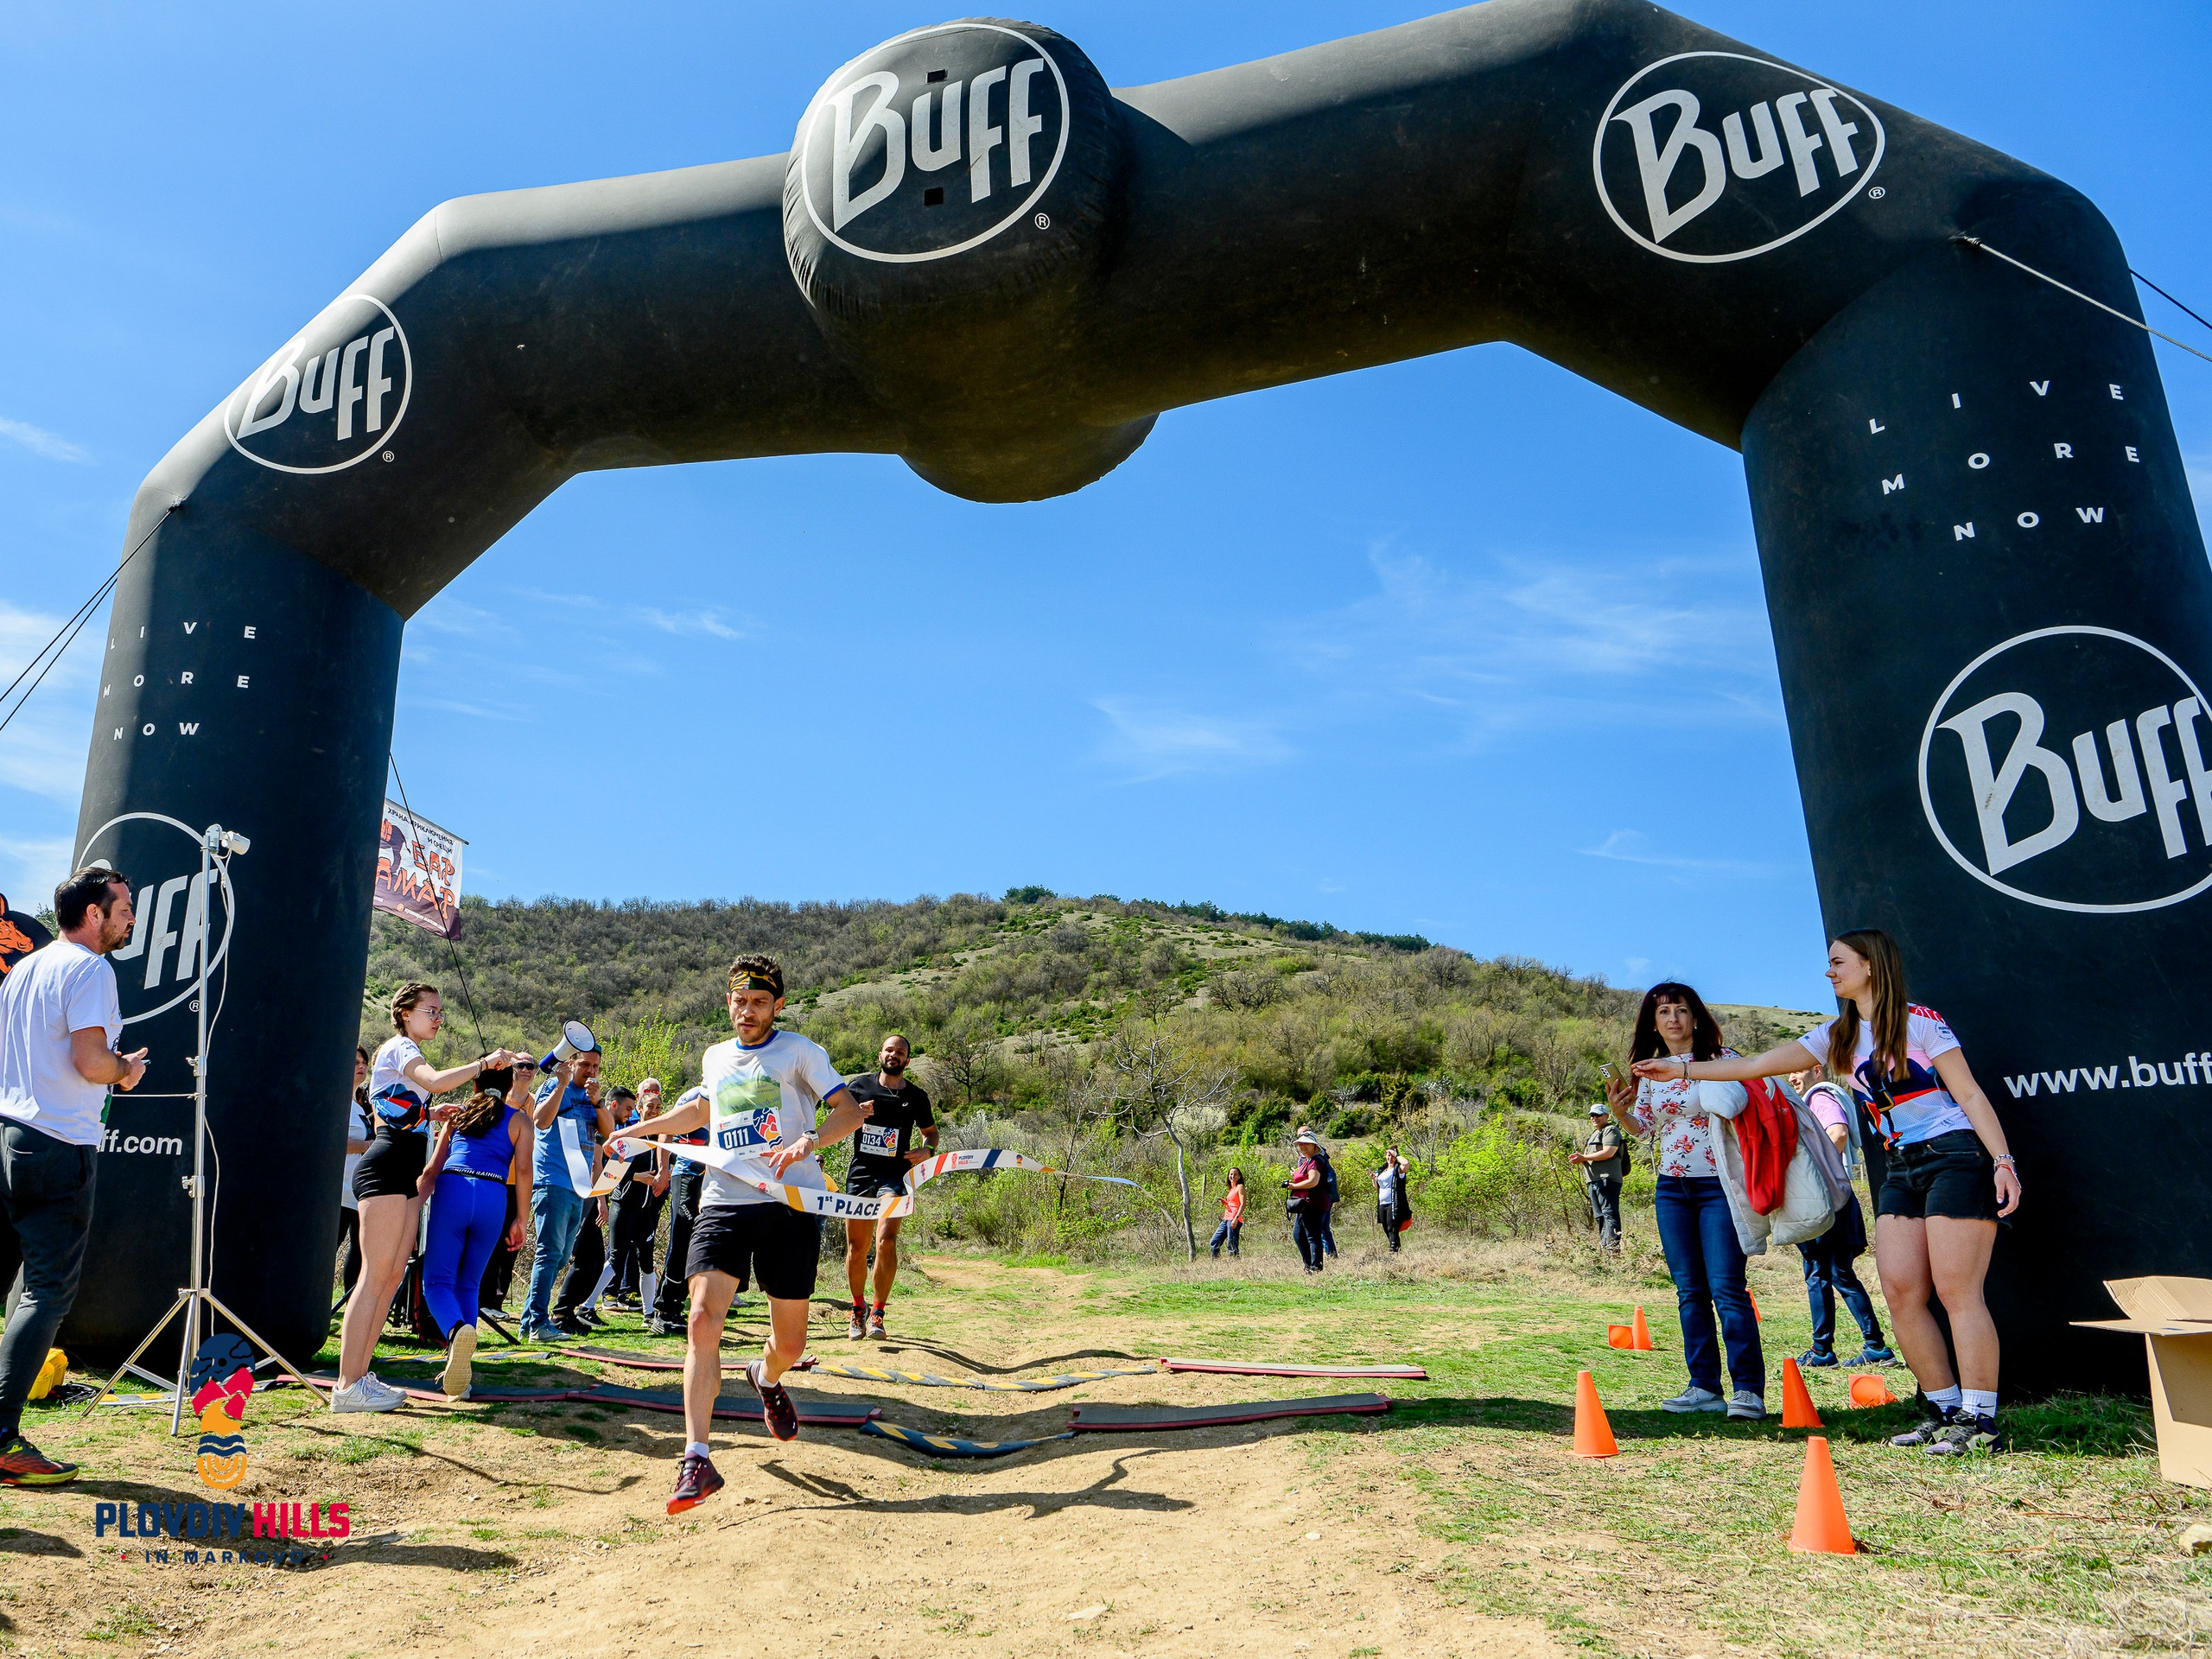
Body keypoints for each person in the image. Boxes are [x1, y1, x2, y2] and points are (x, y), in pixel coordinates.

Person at [1643, 931, 2019, 1454]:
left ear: (1871, 966)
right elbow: (1754, 1067)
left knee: (1958, 1292)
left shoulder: (1920, 1022)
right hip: (1900, 1166)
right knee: (1900, 1293)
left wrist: (2002, 1161)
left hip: (1954, 1154)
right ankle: (1943, 1409)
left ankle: (1980, 1422)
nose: (1829, 972)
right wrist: (1680, 1069)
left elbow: (1970, 1093)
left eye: (1838, 962)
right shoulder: (1837, 1034)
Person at [613, 953, 869, 1513]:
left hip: (789, 1205)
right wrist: (639, 1131)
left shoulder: (800, 1052)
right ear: (727, 1002)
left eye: (759, 1002)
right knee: (702, 1320)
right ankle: (696, 1458)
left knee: (791, 1345)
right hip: (724, 1201)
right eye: (739, 1001)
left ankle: (765, 1376)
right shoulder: (715, 1056)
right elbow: (701, 1113)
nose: (747, 1011)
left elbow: (850, 1112)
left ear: (778, 1005)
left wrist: (808, 1142)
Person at [0, 867, 147, 1485]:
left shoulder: (26, 967)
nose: (131, 918)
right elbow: (90, 1062)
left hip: (8, 1133)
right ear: (94, 914)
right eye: (125, 908)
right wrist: (125, 1070)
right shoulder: (91, 969)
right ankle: (2, 1439)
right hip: (57, 1142)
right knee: (46, 1292)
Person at [338, 982, 527, 1412]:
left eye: (442, 1012)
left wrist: (430, 1112)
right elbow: (436, 1082)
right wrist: (484, 1063)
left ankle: (360, 1378)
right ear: (405, 1013)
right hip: (385, 1167)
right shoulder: (400, 1047)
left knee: (390, 1279)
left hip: (404, 1172)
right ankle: (347, 1385)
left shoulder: (406, 1054)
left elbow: (398, 1105)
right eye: (431, 1010)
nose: (439, 1018)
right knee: (373, 1278)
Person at [1606, 982, 1765, 1420]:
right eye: (1663, 1012)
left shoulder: (1722, 1059)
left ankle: (1748, 1390)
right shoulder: (1649, 1071)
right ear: (1653, 1024)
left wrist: (1688, 1072)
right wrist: (1621, 1113)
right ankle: (1704, 1387)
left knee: (1727, 1288)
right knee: (1689, 1291)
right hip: (1672, 1188)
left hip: (1720, 1185)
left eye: (1680, 1010)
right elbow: (1644, 1128)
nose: (1673, 1018)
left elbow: (1741, 1103)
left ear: (1696, 1018)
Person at [417, 1072, 530, 1398]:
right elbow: (524, 1171)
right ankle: (462, 1380)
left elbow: (431, 1170)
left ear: (474, 1084)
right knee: (469, 1284)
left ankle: (456, 1332)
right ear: (509, 1087)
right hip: (493, 1195)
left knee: (436, 1283)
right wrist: (521, 1219)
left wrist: (411, 1211)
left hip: (453, 1188)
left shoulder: (458, 1114)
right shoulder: (520, 1120)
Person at [1788, 1068, 1894, 1370]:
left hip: (1827, 1199)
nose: (1792, 1078)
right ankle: (1875, 1346)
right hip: (1841, 1198)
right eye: (1789, 1073)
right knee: (1839, 1272)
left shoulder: (1820, 1096)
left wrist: (1812, 1178)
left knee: (1818, 1272)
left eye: (1798, 1071)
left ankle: (1822, 1351)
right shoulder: (1822, 1096)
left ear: (1816, 1070)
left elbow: (1838, 1132)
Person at [840, 1033, 938, 1340]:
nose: (894, 1054)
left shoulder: (917, 1096)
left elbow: (931, 1132)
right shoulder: (859, 1086)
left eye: (900, 1051)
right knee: (857, 1248)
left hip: (894, 1177)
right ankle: (858, 1308)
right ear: (880, 1054)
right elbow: (837, 1119)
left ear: (907, 1060)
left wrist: (927, 1150)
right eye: (889, 1050)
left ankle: (878, 1313)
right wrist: (856, 1114)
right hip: (861, 1175)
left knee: (886, 1242)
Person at [522, 1039, 615, 1344]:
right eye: (585, 1064)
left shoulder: (592, 1096)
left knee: (562, 1257)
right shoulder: (555, 1086)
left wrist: (599, 1102)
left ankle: (530, 1320)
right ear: (571, 1063)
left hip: (579, 1185)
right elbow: (540, 1120)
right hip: (553, 1180)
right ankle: (538, 1323)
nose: (591, 1071)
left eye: (596, 1066)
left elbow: (610, 1134)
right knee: (549, 1253)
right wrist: (561, 1085)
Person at [475, 1058, 541, 1320]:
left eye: (530, 1066)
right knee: (491, 1240)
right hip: (497, 1178)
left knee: (511, 1244)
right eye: (520, 1065)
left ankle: (497, 1301)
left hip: (520, 1183)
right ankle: (482, 1299)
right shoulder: (499, 1097)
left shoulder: (536, 1102)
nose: (525, 1070)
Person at [608, 1078, 671, 1307]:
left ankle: (647, 1310)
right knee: (616, 1256)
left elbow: (671, 1161)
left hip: (648, 1206)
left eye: (658, 1106)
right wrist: (638, 1177)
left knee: (645, 1258)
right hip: (624, 1204)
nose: (654, 1111)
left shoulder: (662, 1135)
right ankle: (596, 1301)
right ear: (639, 1107)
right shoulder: (628, 1132)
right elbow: (610, 1171)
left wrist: (667, 1175)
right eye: (649, 1105)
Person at [336, 1046, 372, 1300]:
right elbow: (333, 1143)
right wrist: (368, 1146)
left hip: (359, 1193)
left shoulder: (360, 1106)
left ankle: (351, 1306)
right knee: (327, 1252)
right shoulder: (336, 1103)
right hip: (338, 1193)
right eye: (355, 1062)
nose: (361, 1066)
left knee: (360, 1252)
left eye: (364, 1062)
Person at [1569, 1103, 1627, 1252]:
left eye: (1598, 1115)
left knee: (1609, 1213)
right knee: (1599, 1216)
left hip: (1607, 1179)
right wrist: (1580, 1158)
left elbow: (1608, 1152)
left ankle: (1613, 1250)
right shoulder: (1594, 1133)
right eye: (1592, 1115)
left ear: (1606, 1116)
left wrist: (1584, 1157)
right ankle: (1605, 1248)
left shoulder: (1611, 1130)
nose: (1594, 1118)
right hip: (1593, 1180)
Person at [1287, 1128, 1327, 1273]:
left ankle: (1316, 1268)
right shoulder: (1307, 1160)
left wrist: (1293, 1186)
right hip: (1304, 1204)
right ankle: (1309, 1266)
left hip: (1314, 1203)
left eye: (1306, 1144)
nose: (1302, 1146)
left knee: (1312, 1236)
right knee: (1298, 1235)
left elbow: (1313, 1181)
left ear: (1314, 1145)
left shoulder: (1315, 1161)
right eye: (1300, 1144)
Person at [1373, 1148, 1408, 1253]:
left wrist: (1397, 1155)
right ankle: (1397, 1249)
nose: (1390, 1158)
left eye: (1392, 1156)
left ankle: (1393, 1250)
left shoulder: (1398, 1169)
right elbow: (1377, 1188)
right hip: (1382, 1203)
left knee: (1392, 1228)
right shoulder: (1382, 1170)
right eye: (1388, 1155)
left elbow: (1406, 1164)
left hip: (1393, 1203)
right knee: (1386, 1228)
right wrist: (1374, 1179)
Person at [1313, 1138, 1340, 1257]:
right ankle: (1330, 1253)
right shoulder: (1321, 1155)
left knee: (1322, 1227)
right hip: (1325, 1196)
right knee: (1322, 1227)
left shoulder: (1317, 1158)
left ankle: (1330, 1254)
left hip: (1322, 1197)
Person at [1209, 1166, 1244, 1258]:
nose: (1233, 1176)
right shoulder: (1231, 1188)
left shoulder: (1240, 1187)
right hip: (1226, 1219)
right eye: (1231, 1174)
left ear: (1239, 1176)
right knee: (1214, 1242)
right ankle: (1216, 1263)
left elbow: (1243, 1204)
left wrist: (1236, 1218)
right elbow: (1234, 1203)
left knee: (1231, 1245)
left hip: (1234, 1219)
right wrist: (1226, 1203)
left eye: (1235, 1174)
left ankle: (1235, 1263)